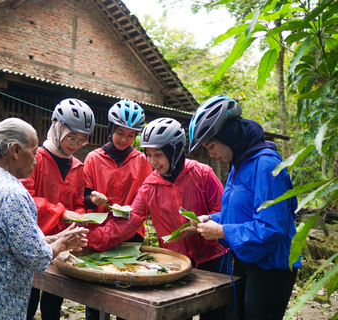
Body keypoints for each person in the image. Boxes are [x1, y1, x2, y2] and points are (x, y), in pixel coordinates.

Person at [0, 118, 88, 320]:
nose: (37, 158)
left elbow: (13, 242)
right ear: (15, 150)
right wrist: (63, 243)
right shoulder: (13, 194)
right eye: (34, 150)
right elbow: (36, 258)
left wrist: (53, 238)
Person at [86, 117, 227, 320]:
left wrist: (203, 223)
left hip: (213, 258)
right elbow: (128, 221)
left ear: (175, 151)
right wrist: (90, 239)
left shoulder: (202, 173)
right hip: (175, 263)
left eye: (158, 155)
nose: (152, 162)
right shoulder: (149, 186)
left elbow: (225, 212)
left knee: (215, 315)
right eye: (149, 154)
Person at [188, 95, 301, 320]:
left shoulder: (267, 165)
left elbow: (271, 227)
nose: (210, 153)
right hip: (244, 261)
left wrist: (221, 231)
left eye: (211, 145)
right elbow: (239, 215)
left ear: (228, 135)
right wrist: (210, 219)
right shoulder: (238, 165)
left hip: (271, 268)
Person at [22, 98, 99, 320]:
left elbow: (78, 203)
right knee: (28, 300)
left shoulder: (78, 166)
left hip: (61, 248)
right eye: (70, 137)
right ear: (56, 127)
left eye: (81, 140)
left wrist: (81, 220)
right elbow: (24, 199)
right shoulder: (35, 158)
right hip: (33, 241)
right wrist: (61, 212)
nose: (74, 145)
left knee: (53, 302)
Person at [83, 100, 152, 320]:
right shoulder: (93, 158)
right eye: (120, 133)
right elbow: (83, 197)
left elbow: (148, 195)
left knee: (127, 295)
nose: (124, 139)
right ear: (111, 128)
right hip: (99, 234)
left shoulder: (142, 160)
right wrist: (93, 199)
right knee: (96, 295)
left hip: (131, 234)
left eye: (131, 135)